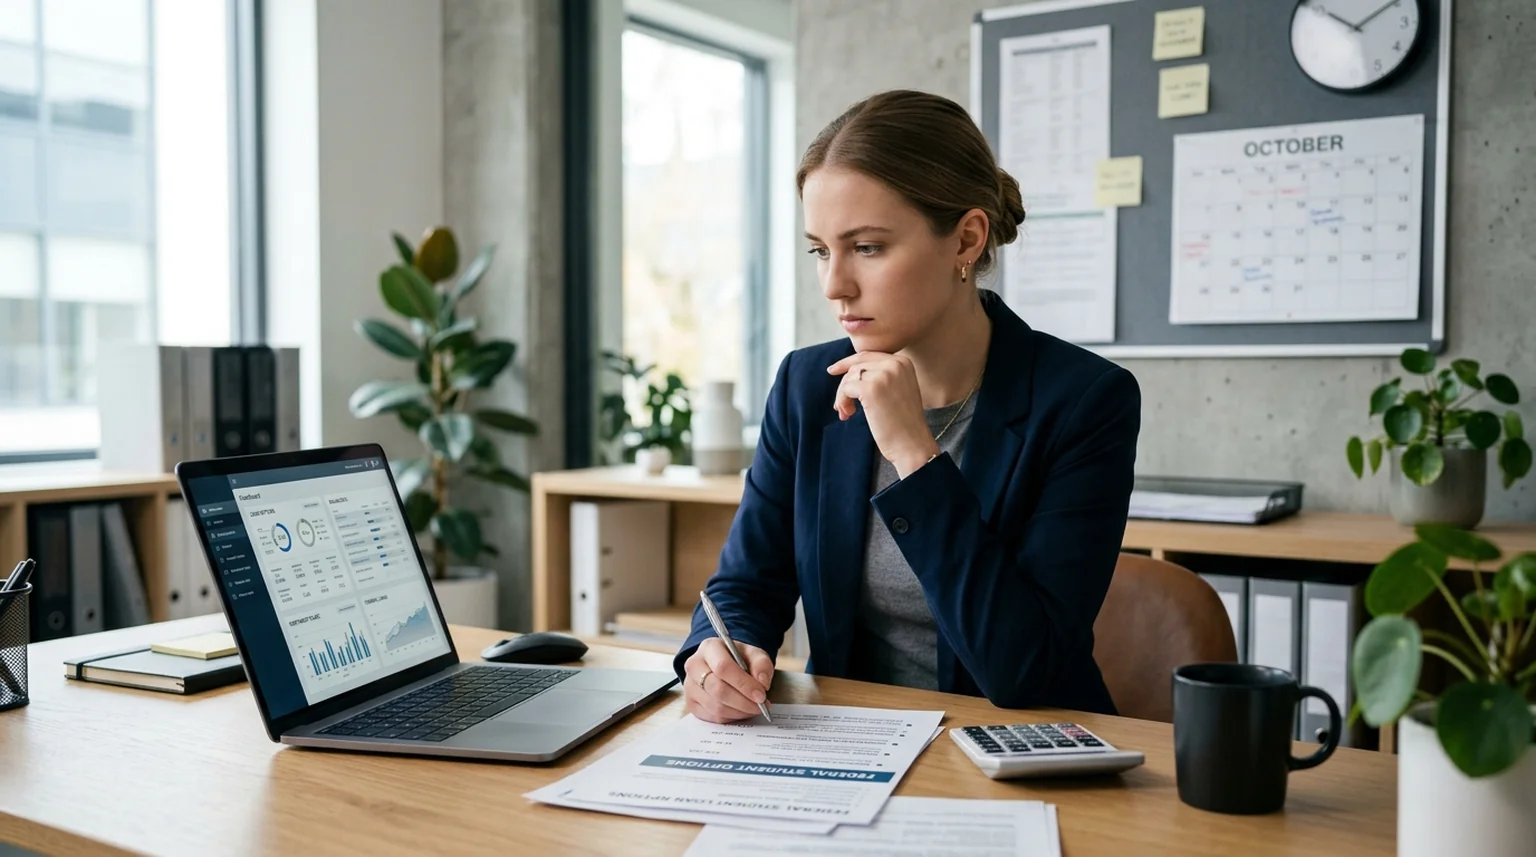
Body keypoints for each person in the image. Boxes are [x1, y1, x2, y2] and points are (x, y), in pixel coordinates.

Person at [674, 89, 1141, 724]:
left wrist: (914, 454)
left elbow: (1021, 669)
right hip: (854, 742)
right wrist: (715, 655)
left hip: (1020, 750)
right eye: (820, 249)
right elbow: (745, 584)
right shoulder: (807, 383)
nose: (835, 284)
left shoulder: (1085, 402)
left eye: (867, 247)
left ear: (966, 241)